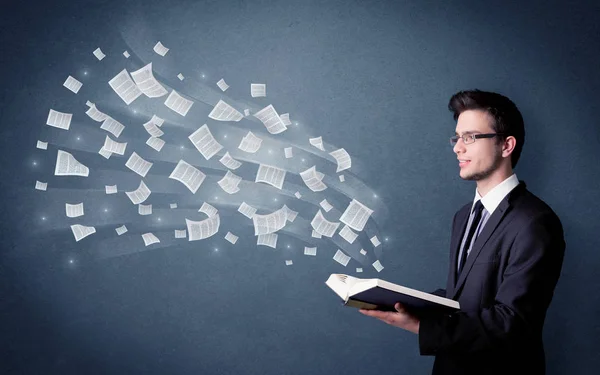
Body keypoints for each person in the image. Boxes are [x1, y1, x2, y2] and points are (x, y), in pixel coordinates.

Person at [359, 89, 565, 375]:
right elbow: (466, 298)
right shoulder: (463, 216)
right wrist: (405, 304)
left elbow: (513, 323)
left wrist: (422, 326)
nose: (457, 148)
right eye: (457, 138)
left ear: (506, 146)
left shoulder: (535, 221)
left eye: (470, 137)